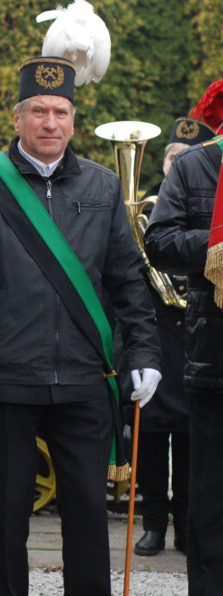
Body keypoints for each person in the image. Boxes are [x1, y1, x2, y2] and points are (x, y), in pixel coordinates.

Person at [0, 56, 161, 596]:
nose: (49, 122)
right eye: (38, 110)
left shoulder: (103, 186)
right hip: (3, 374)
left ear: (74, 121)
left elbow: (129, 282)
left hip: (84, 378)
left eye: (60, 111)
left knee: (86, 510)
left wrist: (145, 354)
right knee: (6, 512)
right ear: (17, 118)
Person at [144, 87, 223, 596]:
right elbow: (159, 241)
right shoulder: (196, 167)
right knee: (211, 502)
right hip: (215, 356)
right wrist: (216, 244)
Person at [125, 117, 209, 557]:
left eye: (185, 158)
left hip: (193, 337)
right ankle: (153, 525)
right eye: (174, 157)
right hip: (156, 335)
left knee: (195, 442)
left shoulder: (207, 201)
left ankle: (188, 527)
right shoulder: (148, 208)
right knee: (152, 440)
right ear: (164, 162)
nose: (180, 164)